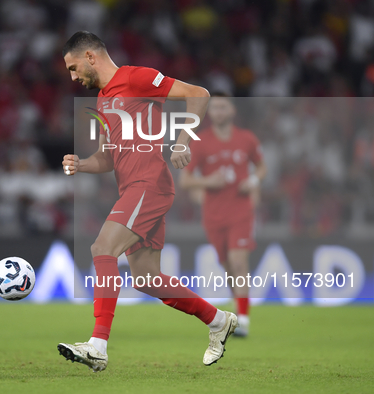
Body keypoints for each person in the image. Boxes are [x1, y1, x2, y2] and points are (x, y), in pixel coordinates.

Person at [58, 31, 238, 372]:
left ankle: (97, 345)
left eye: (73, 67)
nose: (72, 76)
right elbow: (107, 159)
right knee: (146, 278)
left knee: (102, 249)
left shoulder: (136, 77)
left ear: (90, 57)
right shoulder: (102, 99)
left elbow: (199, 94)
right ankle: (217, 321)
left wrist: (184, 140)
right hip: (133, 189)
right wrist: (81, 164)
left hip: (149, 184)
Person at [180, 93, 267, 337]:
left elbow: (262, 167)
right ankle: (238, 307)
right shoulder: (201, 142)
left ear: (232, 111)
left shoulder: (246, 139)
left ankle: (244, 320)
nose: (218, 111)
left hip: (241, 211)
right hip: (214, 215)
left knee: (239, 262)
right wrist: (210, 181)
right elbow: (185, 180)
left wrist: (252, 180)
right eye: (214, 107)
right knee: (228, 265)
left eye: (223, 107)